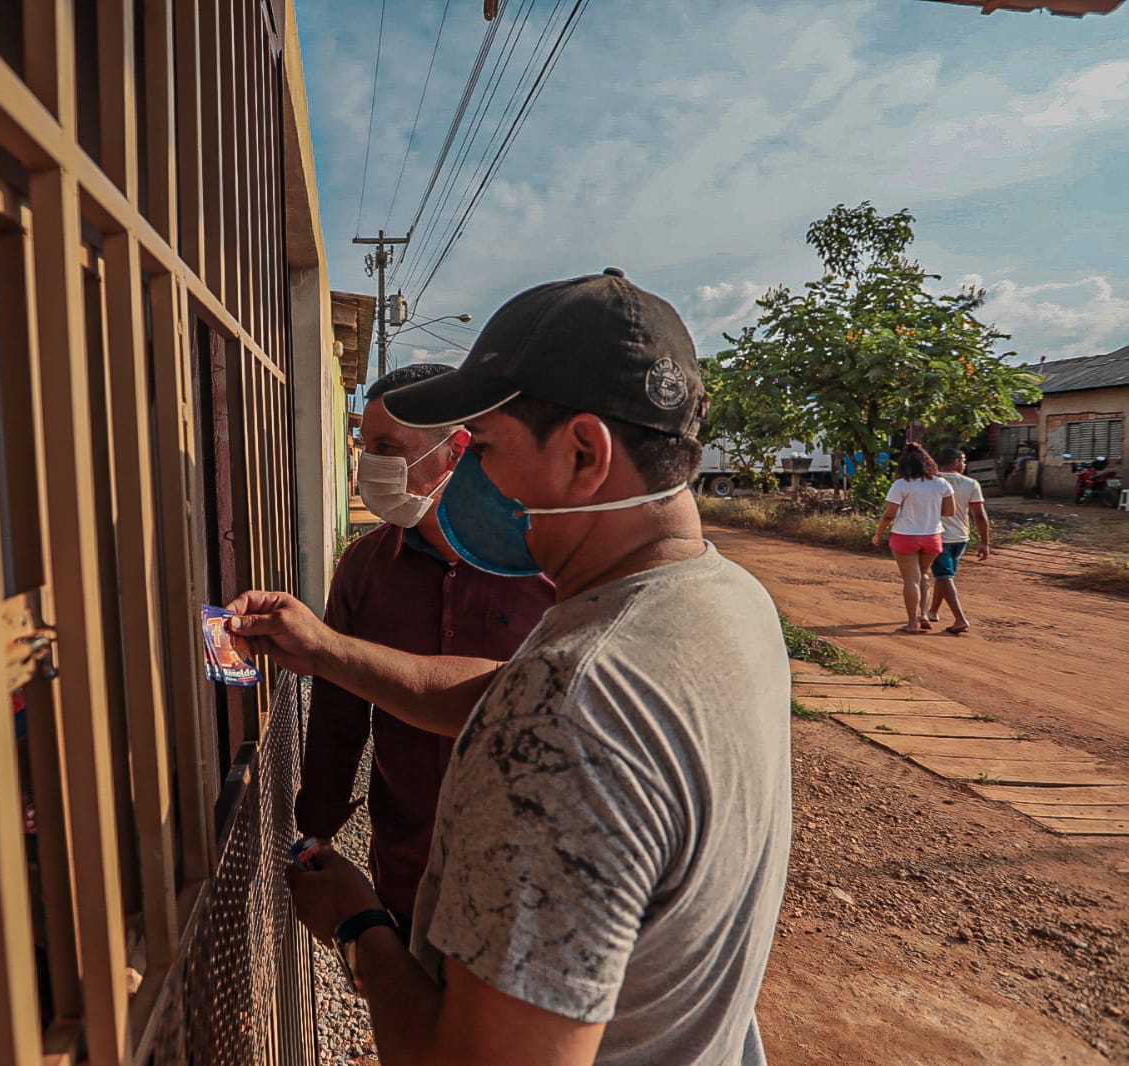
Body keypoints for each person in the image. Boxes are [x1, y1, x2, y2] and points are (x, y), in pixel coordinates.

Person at [230, 270, 792, 1065]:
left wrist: (363, 935)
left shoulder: (570, 706)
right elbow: (500, 696)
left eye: (484, 448)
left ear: (582, 453)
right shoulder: (723, 599)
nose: (467, 479)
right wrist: (326, 650)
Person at [299, 363, 554, 942]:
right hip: (409, 869)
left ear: (457, 449)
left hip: (531, 881)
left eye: (388, 448)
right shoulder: (364, 568)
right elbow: (339, 708)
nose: (369, 465)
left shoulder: (547, 567)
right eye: (366, 446)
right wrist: (318, 820)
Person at [870, 442, 955, 634]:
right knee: (924, 574)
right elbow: (950, 511)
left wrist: (878, 535)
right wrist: (930, 511)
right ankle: (923, 614)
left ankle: (912, 623)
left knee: (911, 580)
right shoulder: (941, 483)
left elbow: (889, 515)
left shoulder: (901, 484)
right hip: (932, 536)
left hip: (905, 536)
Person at [924, 448, 990, 635]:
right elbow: (980, 515)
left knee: (944, 576)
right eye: (963, 461)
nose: (964, 464)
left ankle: (960, 619)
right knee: (945, 576)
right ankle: (933, 611)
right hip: (961, 538)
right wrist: (985, 542)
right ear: (955, 462)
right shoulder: (971, 484)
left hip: (938, 536)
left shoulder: (931, 481)